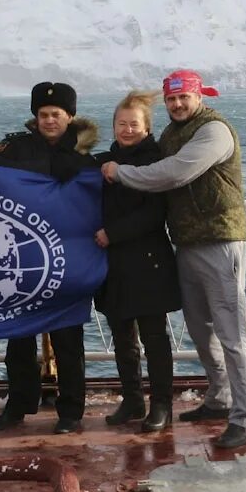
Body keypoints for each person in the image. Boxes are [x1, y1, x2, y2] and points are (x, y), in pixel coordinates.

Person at [101, 69, 246, 449]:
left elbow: (174, 173)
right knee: (202, 330)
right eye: (171, 99)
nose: (177, 104)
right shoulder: (171, 134)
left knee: (232, 333)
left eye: (183, 97)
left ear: (199, 96)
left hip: (220, 242)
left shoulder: (214, 131)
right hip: (185, 243)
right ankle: (219, 399)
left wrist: (121, 173)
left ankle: (245, 416)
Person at [0, 81, 99, 434]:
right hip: (20, 260)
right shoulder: (13, 149)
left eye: (56, 115)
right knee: (18, 339)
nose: (49, 120)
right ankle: (18, 406)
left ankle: (71, 412)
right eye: (43, 114)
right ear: (35, 116)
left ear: (70, 117)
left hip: (67, 261)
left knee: (68, 340)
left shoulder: (84, 159)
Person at [94, 91, 180, 433]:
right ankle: (132, 399)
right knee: (122, 337)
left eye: (134, 124)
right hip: (115, 265)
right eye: (121, 123)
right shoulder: (104, 161)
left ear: (147, 127)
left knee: (154, 337)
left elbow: (155, 213)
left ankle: (162, 404)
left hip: (147, 261)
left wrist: (112, 234)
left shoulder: (156, 160)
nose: (127, 130)